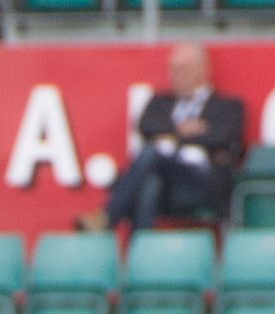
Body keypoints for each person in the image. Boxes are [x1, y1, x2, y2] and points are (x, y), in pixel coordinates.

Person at [99, 44, 246, 237]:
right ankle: (142, 252)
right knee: (151, 181)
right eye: (173, 68)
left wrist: (172, 138)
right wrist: (181, 131)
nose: (176, 74)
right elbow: (145, 126)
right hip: (167, 182)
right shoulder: (160, 102)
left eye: (182, 68)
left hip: (201, 180)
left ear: (203, 69)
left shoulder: (227, 106)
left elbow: (224, 137)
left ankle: (108, 218)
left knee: (154, 151)